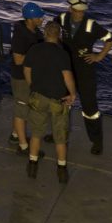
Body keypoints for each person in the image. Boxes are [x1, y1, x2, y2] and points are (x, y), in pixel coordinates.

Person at [57, 0, 112, 154]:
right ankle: (59, 133)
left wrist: (99, 56)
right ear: (70, 9)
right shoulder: (61, 18)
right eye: (77, 10)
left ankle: (97, 141)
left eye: (82, 11)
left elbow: (111, 39)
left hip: (85, 71)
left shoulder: (91, 25)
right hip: (66, 68)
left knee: (90, 108)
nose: (80, 14)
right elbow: (52, 30)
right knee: (62, 103)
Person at [24, 20, 77, 183]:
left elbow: (26, 70)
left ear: (45, 33)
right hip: (58, 99)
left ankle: (32, 165)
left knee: (36, 133)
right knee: (60, 136)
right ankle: (61, 169)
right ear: (58, 35)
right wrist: (73, 94)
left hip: (38, 97)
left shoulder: (34, 49)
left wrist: (32, 86)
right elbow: (67, 76)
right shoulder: (62, 53)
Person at [9, 3, 45, 152]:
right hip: (21, 78)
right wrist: (36, 55)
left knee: (22, 107)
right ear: (30, 19)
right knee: (21, 109)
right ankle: (23, 145)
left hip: (30, 76)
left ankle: (15, 134)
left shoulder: (35, 32)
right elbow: (18, 60)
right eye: (39, 17)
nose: (42, 19)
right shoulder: (20, 35)